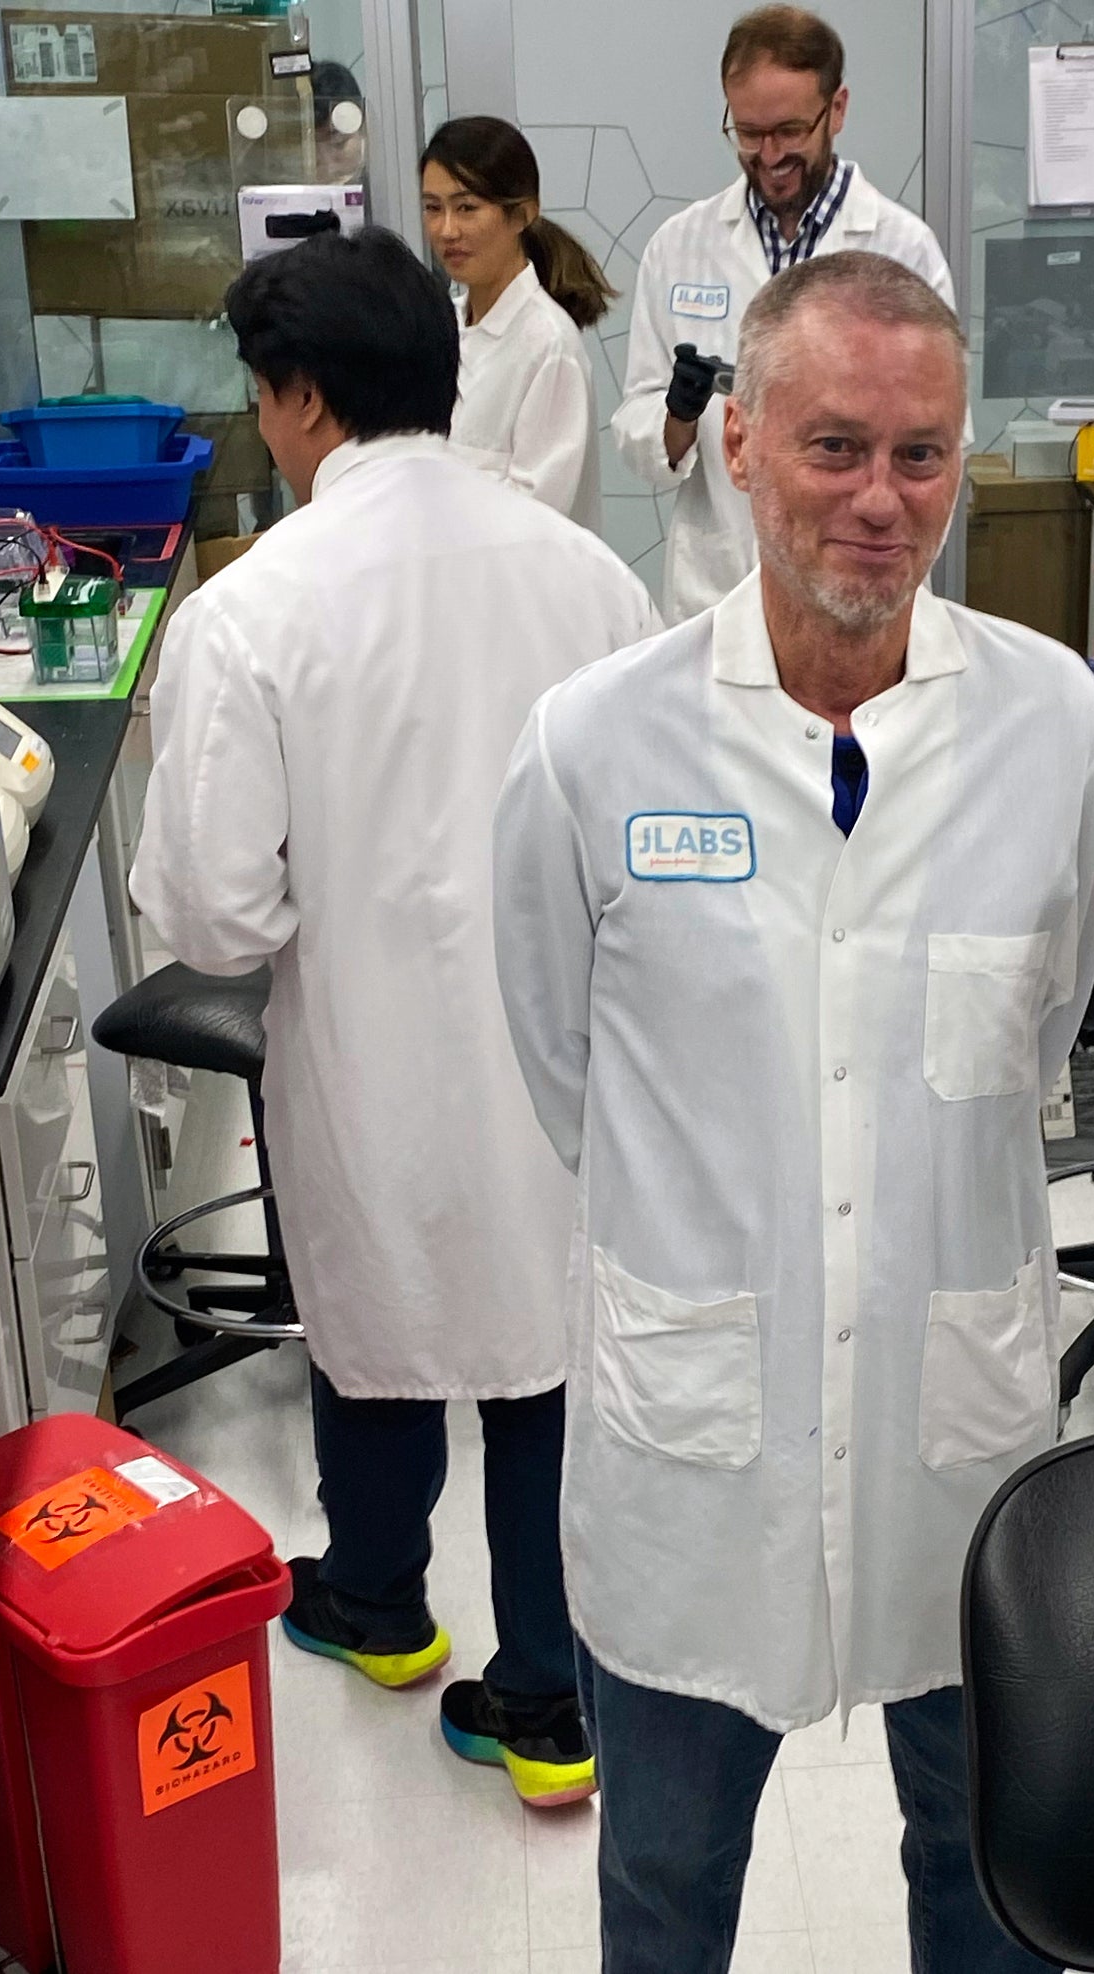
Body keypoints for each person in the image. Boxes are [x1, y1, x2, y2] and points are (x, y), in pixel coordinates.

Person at [494, 251, 1094, 1971]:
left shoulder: (1053, 728)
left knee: (992, 1885)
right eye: (835, 446)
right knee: (669, 1887)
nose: (881, 498)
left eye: (921, 454)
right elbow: (563, 1057)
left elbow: (1046, 1017)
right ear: (741, 448)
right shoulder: (592, 743)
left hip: (954, 1416)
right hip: (700, 1429)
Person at [131, 227, 661, 1811]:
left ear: (297, 398)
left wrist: (328, 907)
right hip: (572, 1059)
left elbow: (213, 908)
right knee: (542, 1354)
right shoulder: (592, 575)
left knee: (373, 1318)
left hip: (367, 1053)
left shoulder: (255, 606)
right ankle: (552, 1699)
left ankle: (374, 1597)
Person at [612, 4, 954, 624]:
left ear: (838, 109)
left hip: (860, 596)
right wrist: (678, 416)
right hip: (717, 595)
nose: (769, 155)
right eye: (749, 133)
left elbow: (940, 445)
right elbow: (637, 438)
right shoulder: (679, 246)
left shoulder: (902, 250)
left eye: (791, 131)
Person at [422, 116, 615, 531]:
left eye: (467, 208)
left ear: (523, 214)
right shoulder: (441, 328)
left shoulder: (548, 345)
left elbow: (535, 518)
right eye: (433, 208)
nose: (446, 230)